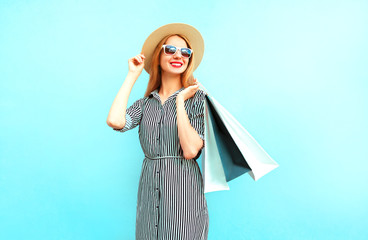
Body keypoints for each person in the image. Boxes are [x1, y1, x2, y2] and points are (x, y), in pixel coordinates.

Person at [106, 23, 208, 240]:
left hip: (183, 195)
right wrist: (132, 75)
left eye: (185, 52)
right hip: (149, 193)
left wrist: (180, 101)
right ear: (158, 57)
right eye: (170, 50)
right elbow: (115, 121)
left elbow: (190, 151)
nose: (178, 55)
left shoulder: (198, 99)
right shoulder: (145, 105)